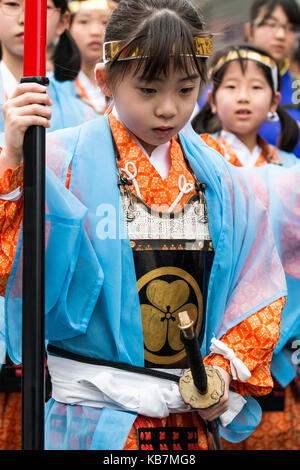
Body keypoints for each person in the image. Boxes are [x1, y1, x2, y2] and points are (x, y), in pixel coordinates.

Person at [0, 0, 290, 451]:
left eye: (186, 89)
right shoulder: (57, 159)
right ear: (105, 81)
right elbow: (11, 272)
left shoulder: (224, 178)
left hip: (188, 420)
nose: (169, 110)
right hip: (89, 420)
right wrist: (14, 161)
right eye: (149, 90)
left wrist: (221, 367)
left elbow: (258, 284)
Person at [191, 44, 300, 450]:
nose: (242, 96)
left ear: (273, 101)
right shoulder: (199, 159)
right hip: (217, 317)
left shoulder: (292, 167)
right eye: (231, 86)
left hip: (285, 323)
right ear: (211, 98)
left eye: (255, 87)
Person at [0, 0, 98, 450]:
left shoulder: (85, 101)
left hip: (58, 311)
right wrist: (11, 157)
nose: (24, 18)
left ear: (60, 20)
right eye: (10, 4)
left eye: (36, 6)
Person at [198, 0, 300, 159]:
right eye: (270, 24)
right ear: (249, 29)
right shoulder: (218, 88)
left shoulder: (297, 88)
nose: (281, 35)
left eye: (290, 28)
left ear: (274, 102)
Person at [0, 0, 97, 134]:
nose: (25, 19)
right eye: (12, 4)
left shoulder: (85, 115)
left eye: (44, 7)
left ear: (63, 21)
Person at [69, 0, 117, 113]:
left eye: (105, 22)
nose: (95, 31)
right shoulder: (50, 88)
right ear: (68, 27)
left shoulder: (133, 84)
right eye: (84, 21)